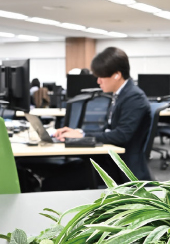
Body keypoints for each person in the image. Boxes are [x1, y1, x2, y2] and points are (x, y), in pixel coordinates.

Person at [53, 47, 152, 182]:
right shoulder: (121, 95)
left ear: (117, 75)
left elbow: (121, 135)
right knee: (59, 171)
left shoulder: (134, 98)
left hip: (122, 168)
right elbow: (108, 131)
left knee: (56, 180)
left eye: (101, 77)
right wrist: (79, 133)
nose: (98, 81)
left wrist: (83, 136)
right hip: (110, 159)